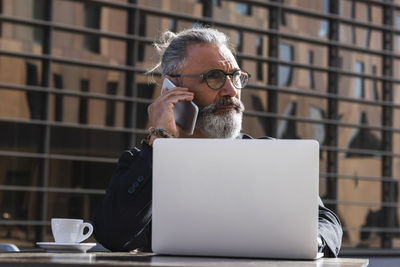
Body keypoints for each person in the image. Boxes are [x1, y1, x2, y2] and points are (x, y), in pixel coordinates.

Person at [92, 27, 343, 257]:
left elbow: (327, 221)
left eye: (235, 77)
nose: (231, 90)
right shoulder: (144, 163)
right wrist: (159, 140)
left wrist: (314, 241)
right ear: (173, 87)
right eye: (214, 78)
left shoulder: (270, 156)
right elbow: (115, 236)